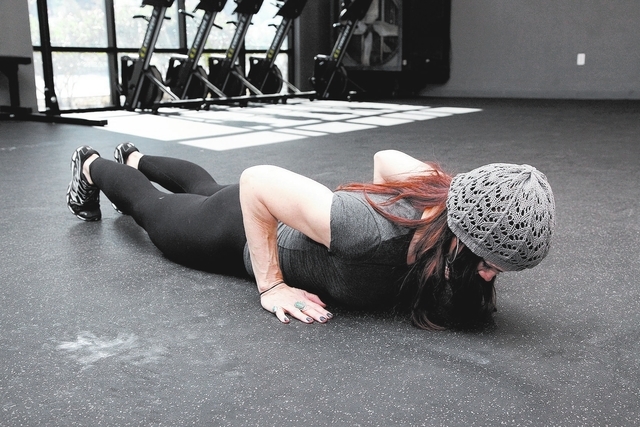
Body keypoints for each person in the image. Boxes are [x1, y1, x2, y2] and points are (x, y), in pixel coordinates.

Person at [66, 144, 555, 330]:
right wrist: (271, 285)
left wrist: (397, 196)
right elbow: (257, 181)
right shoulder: (363, 231)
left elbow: (386, 159)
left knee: (207, 187)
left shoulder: (445, 203)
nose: (490, 277)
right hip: (233, 234)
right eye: (488, 264)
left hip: (274, 213)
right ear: (462, 237)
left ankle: (136, 158)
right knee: (152, 210)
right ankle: (91, 164)